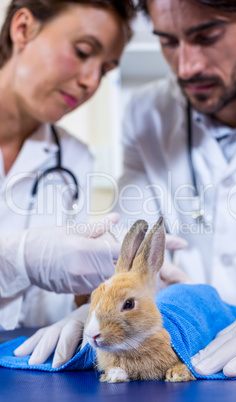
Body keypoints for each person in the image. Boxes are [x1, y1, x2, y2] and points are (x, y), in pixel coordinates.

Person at [15, 0, 236, 378]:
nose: (186, 66)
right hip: (180, 353)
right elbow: (133, 245)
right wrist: (105, 309)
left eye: (207, 36)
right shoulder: (146, 113)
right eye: (168, 42)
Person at [0, 0, 136, 330]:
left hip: (27, 371)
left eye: (105, 70)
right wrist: (18, 259)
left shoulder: (75, 159)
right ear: (23, 29)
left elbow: (65, 296)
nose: (91, 81)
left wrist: (114, 282)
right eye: (83, 51)